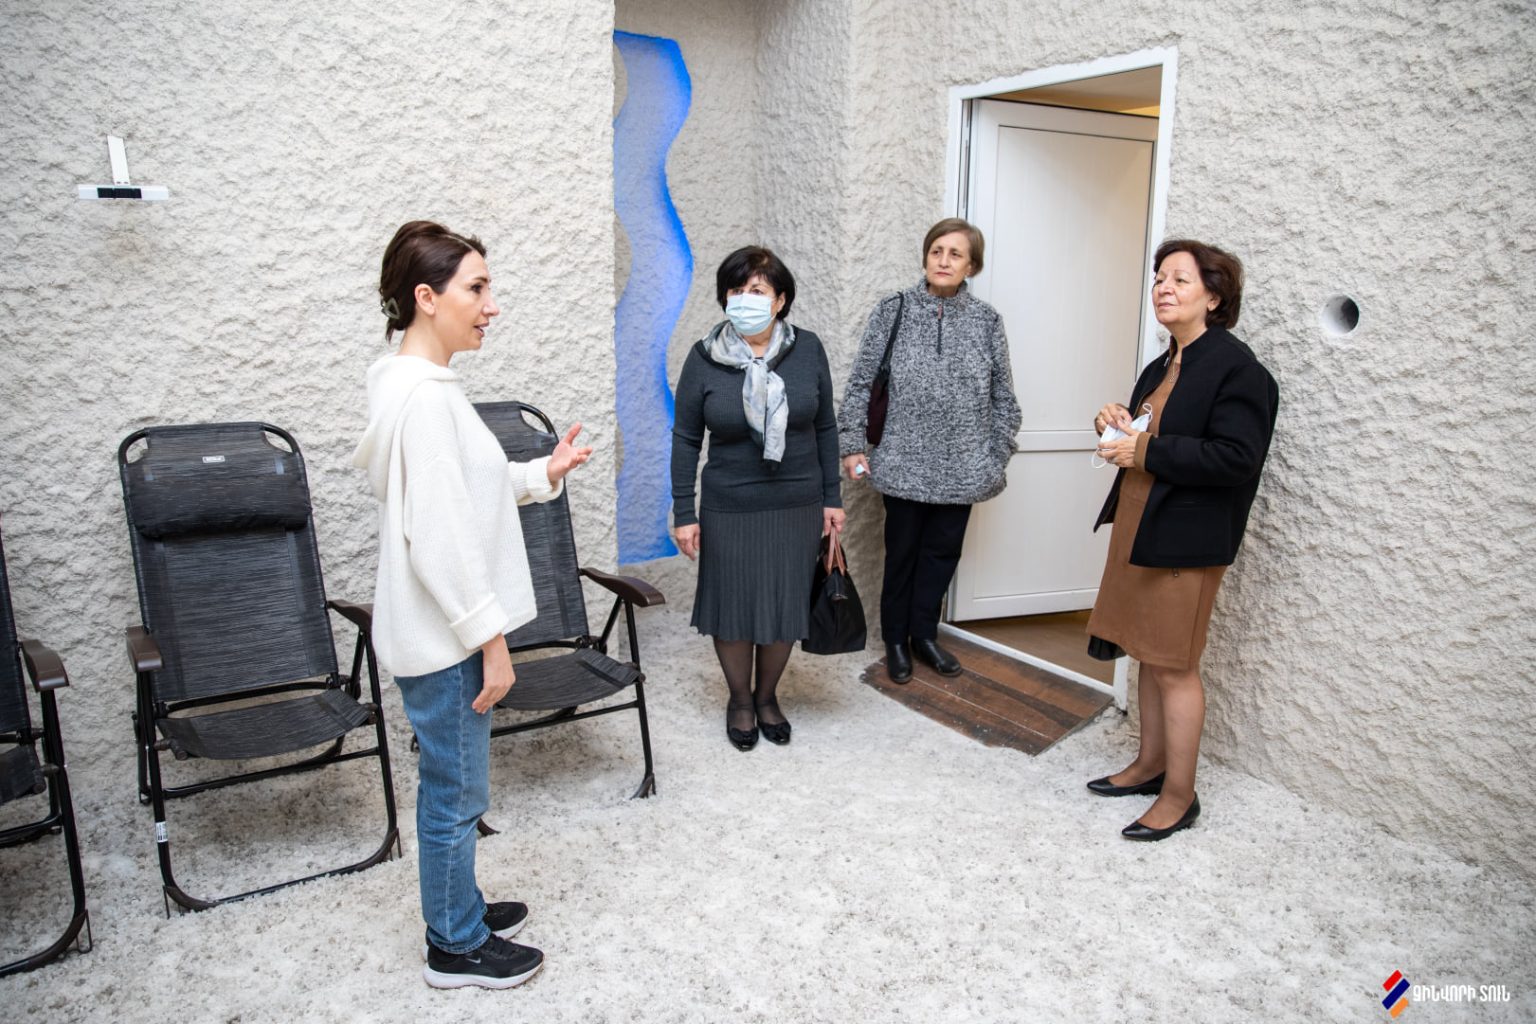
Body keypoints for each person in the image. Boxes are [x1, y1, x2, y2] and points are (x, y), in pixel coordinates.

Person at [353, 220, 592, 988]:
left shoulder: (417, 385)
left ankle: (460, 907)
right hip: (445, 638)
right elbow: (442, 538)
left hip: (440, 631)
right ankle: (453, 946)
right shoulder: (424, 402)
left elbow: (467, 492)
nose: (492, 305)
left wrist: (542, 472)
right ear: (427, 298)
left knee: (456, 786)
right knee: (455, 794)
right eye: (477, 288)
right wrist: (491, 641)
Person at [1084, 239, 1279, 842]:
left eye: (1180, 280)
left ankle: (1179, 796)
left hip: (1186, 539)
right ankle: (1149, 765)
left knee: (1174, 665)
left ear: (1214, 298)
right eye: (1159, 279)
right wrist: (1114, 422)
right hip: (1140, 527)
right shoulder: (1162, 363)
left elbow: (1236, 458)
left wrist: (1142, 448)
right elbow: (1146, 436)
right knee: (1146, 652)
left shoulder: (1238, 370)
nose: (1163, 288)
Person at [670, 246, 844, 751]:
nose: (745, 298)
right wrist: (684, 511)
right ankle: (741, 701)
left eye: (758, 290)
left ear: (780, 300)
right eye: (737, 289)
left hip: (797, 502)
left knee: (784, 603)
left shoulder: (808, 349)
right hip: (729, 504)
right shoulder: (704, 357)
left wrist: (832, 498)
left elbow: (826, 427)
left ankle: (767, 698)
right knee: (733, 605)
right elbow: (685, 438)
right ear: (725, 298)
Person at [838, 218, 1021, 683]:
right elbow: (861, 384)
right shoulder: (893, 310)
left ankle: (924, 635)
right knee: (901, 555)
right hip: (902, 462)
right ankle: (895, 641)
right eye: (936, 251)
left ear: (971, 266)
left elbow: (1004, 398)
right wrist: (853, 444)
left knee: (942, 556)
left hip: (964, 468)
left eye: (955, 254)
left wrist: (994, 456)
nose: (943, 260)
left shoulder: (986, 321)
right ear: (925, 258)